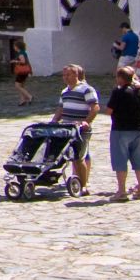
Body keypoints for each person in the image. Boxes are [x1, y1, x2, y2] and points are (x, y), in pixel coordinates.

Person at [104, 65, 140, 202]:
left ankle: (122, 191)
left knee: (120, 161)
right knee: (139, 161)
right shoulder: (139, 92)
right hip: (138, 130)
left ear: (120, 78)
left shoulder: (118, 92)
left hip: (121, 130)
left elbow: (109, 111)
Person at [51, 63, 101, 194]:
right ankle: (76, 180)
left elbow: (95, 107)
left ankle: (84, 185)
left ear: (76, 75)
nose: (65, 77)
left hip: (81, 130)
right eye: (64, 75)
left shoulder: (86, 89)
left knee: (79, 157)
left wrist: (86, 121)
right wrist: (54, 120)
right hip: (67, 129)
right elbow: (61, 108)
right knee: (69, 156)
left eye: (68, 75)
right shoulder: (65, 91)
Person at [10, 37, 33, 106]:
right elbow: (27, 62)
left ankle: (29, 96)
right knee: (21, 86)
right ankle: (22, 100)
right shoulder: (23, 52)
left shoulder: (21, 53)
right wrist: (30, 70)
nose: (14, 47)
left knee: (17, 85)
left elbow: (23, 61)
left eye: (14, 46)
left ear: (17, 47)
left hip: (22, 72)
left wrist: (15, 61)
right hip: (25, 71)